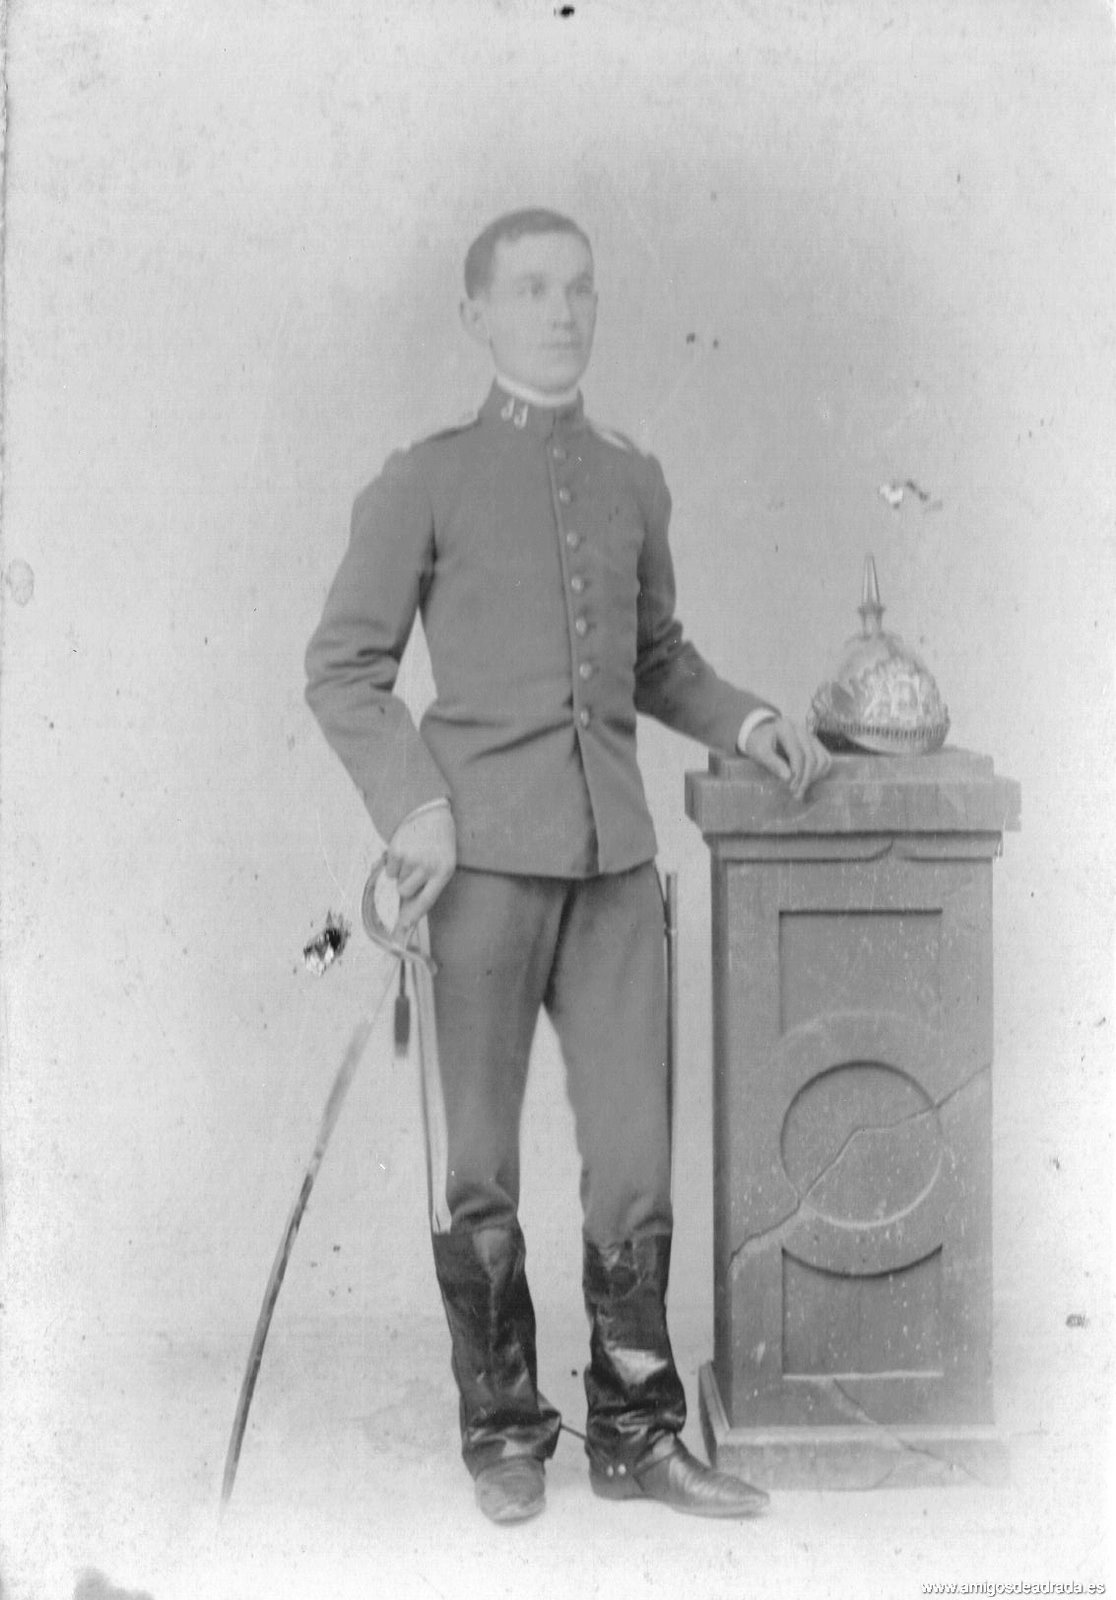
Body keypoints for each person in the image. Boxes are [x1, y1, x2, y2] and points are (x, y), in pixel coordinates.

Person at [305, 207, 830, 1526]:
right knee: (477, 1162)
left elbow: (657, 659)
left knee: (635, 1161)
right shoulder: (424, 480)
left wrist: (750, 720)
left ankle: (638, 1437)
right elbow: (345, 670)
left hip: (613, 874)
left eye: (579, 289)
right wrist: (415, 809)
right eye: (532, 289)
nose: (560, 311)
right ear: (477, 314)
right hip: (475, 871)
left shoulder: (630, 478)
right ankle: (503, 1432)